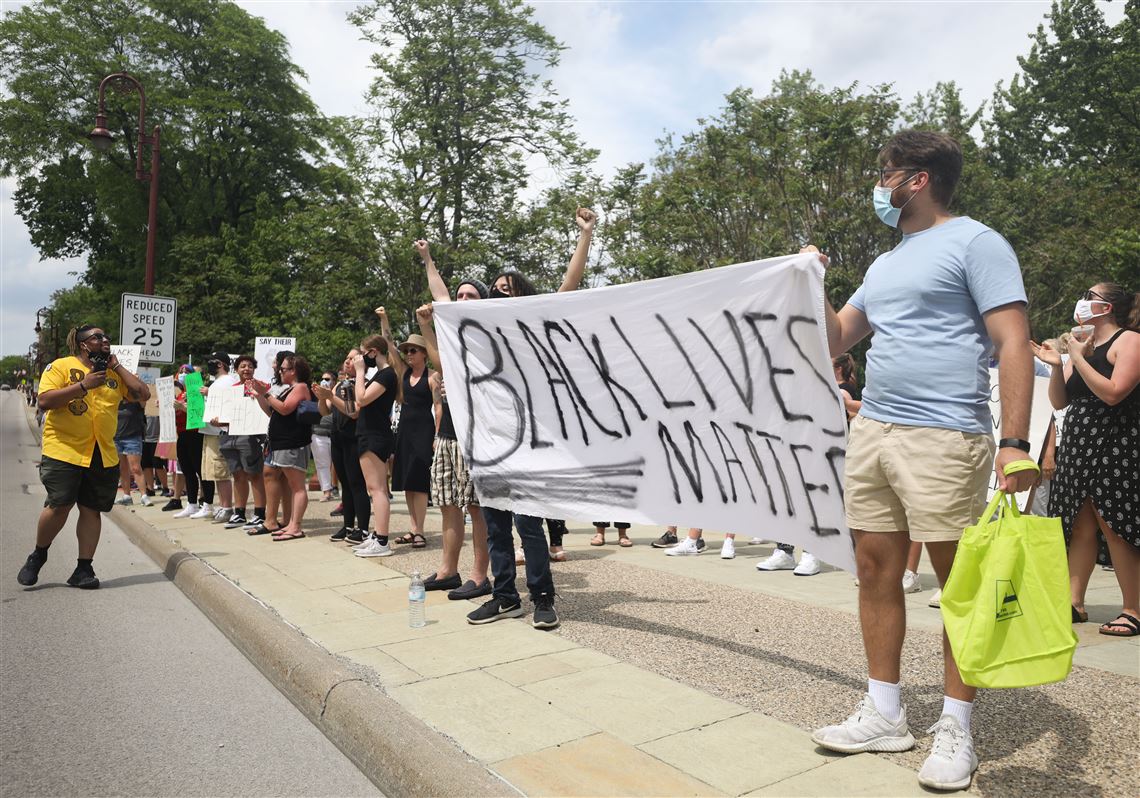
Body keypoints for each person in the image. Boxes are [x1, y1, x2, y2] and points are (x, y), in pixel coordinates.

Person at [807, 130, 1036, 792]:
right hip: (874, 430)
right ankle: (885, 713)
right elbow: (836, 340)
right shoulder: (885, 263)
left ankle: (958, 725)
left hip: (945, 436)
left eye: (887, 172)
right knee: (875, 569)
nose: (879, 183)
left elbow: (1014, 341)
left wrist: (1016, 444)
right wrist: (812, 283)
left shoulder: (978, 243)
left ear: (918, 180)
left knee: (958, 585)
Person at [1035, 282, 1139, 636]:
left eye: (1089, 296)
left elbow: (1113, 393)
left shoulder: (1129, 341)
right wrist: (1055, 365)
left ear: (1107, 307)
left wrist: (1076, 356)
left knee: (1115, 526)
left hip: (1115, 443)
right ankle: (1074, 602)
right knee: (1079, 524)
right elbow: (1060, 401)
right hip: (1079, 445)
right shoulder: (1083, 346)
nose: (1082, 302)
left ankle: (1132, 609)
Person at [16, 325, 149, 589]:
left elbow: (142, 394)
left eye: (106, 336)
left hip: (102, 452)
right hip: (64, 449)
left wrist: (118, 366)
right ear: (82, 344)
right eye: (97, 337)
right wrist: (83, 385)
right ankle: (39, 554)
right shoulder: (61, 366)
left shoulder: (114, 373)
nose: (104, 340)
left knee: (91, 509)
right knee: (59, 505)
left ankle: (83, 568)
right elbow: (45, 401)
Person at [411, 263, 492, 599]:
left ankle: (479, 575)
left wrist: (429, 260)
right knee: (447, 503)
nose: (461, 299)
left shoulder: (485, 337)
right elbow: (441, 361)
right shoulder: (453, 337)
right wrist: (425, 326)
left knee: (476, 507)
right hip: (448, 434)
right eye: (459, 294)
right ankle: (448, 571)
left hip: (475, 437)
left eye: (470, 295)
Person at [379, 307, 440, 550]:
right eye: (407, 351)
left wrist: (437, 434)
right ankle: (413, 528)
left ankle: (421, 531)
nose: (408, 354)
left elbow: (438, 408)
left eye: (413, 350)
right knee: (406, 480)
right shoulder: (403, 373)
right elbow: (389, 344)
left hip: (424, 430)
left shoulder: (433, 376)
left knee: (420, 480)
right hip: (404, 430)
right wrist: (384, 318)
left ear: (424, 353)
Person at [247, 354, 312, 541]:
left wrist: (266, 393)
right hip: (281, 443)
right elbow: (271, 411)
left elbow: (284, 409)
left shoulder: (300, 387)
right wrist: (259, 394)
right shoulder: (290, 388)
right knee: (293, 485)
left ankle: (296, 526)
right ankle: (291, 524)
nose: (280, 371)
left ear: (294, 371)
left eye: (283, 369)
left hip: (293, 443)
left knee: (298, 487)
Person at [313, 350, 370, 544]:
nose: (347, 362)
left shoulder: (364, 383)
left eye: (352, 359)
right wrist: (322, 397)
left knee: (356, 483)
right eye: (346, 358)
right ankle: (347, 526)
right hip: (337, 436)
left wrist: (330, 395)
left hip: (354, 436)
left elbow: (353, 412)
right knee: (345, 483)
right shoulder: (338, 383)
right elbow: (324, 411)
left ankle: (362, 529)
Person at [351, 335, 400, 558]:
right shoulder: (381, 374)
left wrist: (360, 372)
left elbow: (361, 399)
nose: (360, 357)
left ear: (373, 352)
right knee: (375, 488)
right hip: (369, 434)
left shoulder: (387, 374)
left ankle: (381, 540)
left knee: (378, 489)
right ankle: (377, 535)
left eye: (363, 352)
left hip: (375, 436)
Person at [219, 355, 267, 530]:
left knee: (254, 474)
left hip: (251, 435)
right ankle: (239, 513)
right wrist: (219, 420)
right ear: (236, 370)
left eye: (249, 366)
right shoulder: (232, 389)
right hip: (230, 435)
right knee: (238, 474)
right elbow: (227, 414)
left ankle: (260, 514)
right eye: (242, 366)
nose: (246, 369)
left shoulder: (261, 386)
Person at [199, 350, 238, 523]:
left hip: (220, 432)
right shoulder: (217, 383)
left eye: (212, 362)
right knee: (215, 471)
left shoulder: (228, 381)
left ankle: (227, 507)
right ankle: (223, 505)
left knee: (221, 470)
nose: (210, 365)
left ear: (220, 364)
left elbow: (230, 403)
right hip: (212, 430)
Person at [113, 396, 148, 506]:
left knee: (136, 468)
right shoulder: (115, 402)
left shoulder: (136, 401)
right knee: (123, 469)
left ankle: (144, 495)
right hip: (116, 438)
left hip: (132, 437)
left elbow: (145, 396)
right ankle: (127, 496)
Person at [310, 370, 338, 503]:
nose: (324, 381)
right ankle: (327, 491)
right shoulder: (315, 395)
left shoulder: (339, 394)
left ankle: (340, 489)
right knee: (322, 464)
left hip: (336, 433)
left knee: (340, 464)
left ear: (334, 381)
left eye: (327, 379)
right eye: (323, 379)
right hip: (318, 433)